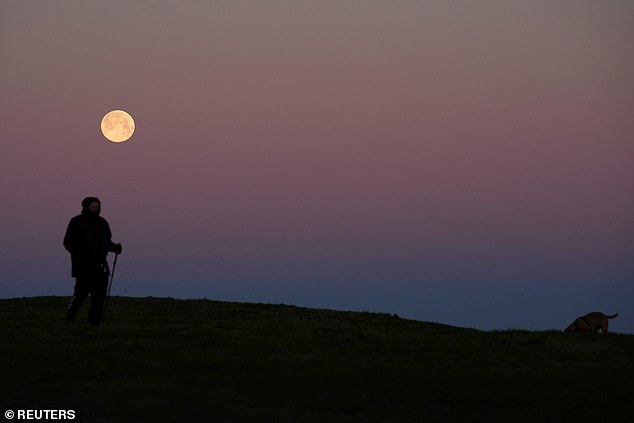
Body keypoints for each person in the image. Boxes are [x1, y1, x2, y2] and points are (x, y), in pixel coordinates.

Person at [63, 197, 122, 324]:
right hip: (82, 267)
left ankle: (95, 321)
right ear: (86, 207)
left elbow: (106, 243)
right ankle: (71, 313)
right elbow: (67, 242)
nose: (96, 210)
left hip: (100, 267)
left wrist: (115, 248)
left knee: (99, 297)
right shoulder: (76, 222)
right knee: (80, 294)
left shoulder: (103, 223)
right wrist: (78, 252)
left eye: (97, 207)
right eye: (93, 207)